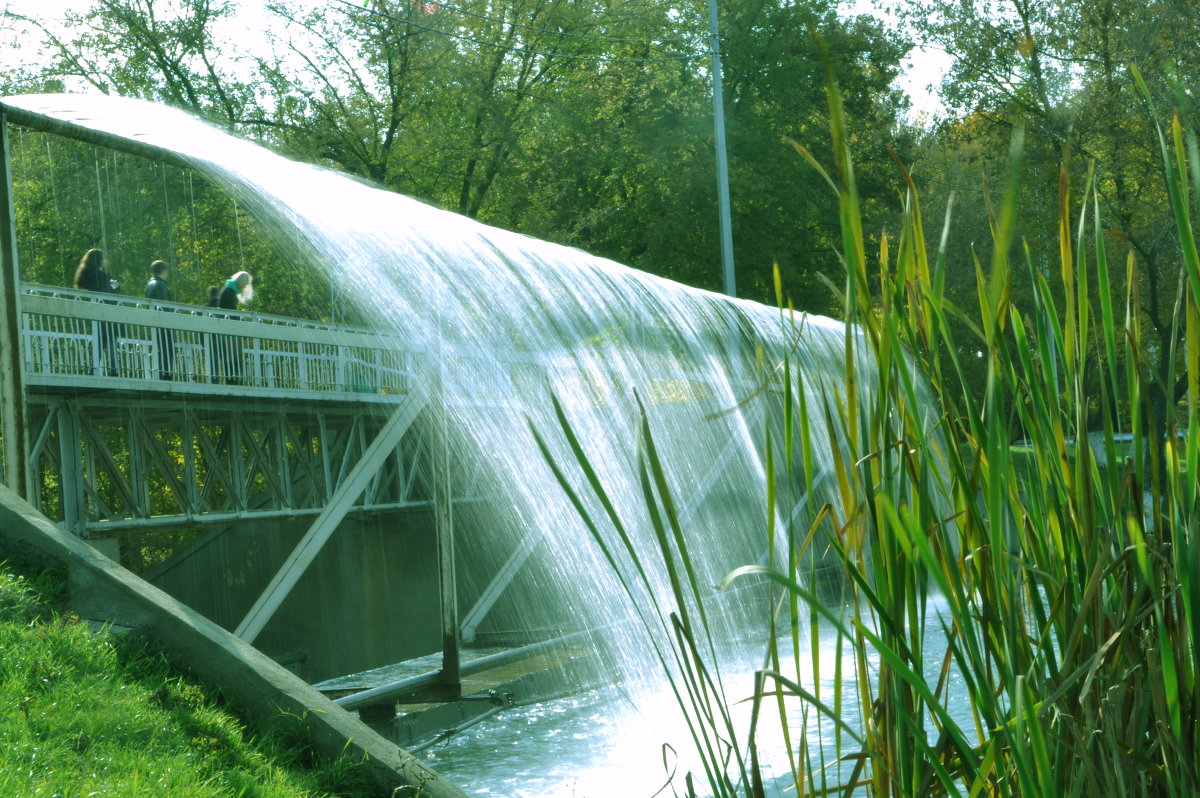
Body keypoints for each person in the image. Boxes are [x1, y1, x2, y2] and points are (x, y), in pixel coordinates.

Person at [73, 248, 119, 377]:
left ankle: (93, 370)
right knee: (111, 340)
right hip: (108, 313)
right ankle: (113, 370)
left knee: (100, 341)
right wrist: (115, 286)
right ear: (99, 260)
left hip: (96, 313)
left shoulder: (86, 276)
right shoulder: (101, 276)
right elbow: (106, 292)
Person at [215, 271, 253, 384]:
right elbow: (232, 312)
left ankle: (233, 379)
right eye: (245, 283)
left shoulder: (229, 290)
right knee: (233, 356)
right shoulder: (230, 291)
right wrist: (243, 324)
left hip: (228, 327)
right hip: (229, 329)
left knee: (233, 355)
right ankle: (232, 380)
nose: (246, 286)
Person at [145, 260, 174, 380]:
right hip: (163, 322)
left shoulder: (150, 284)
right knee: (167, 349)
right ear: (163, 270)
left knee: (160, 348)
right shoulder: (160, 285)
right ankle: (166, 374)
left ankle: (160, 373)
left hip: (154, 321)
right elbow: (164, 305)